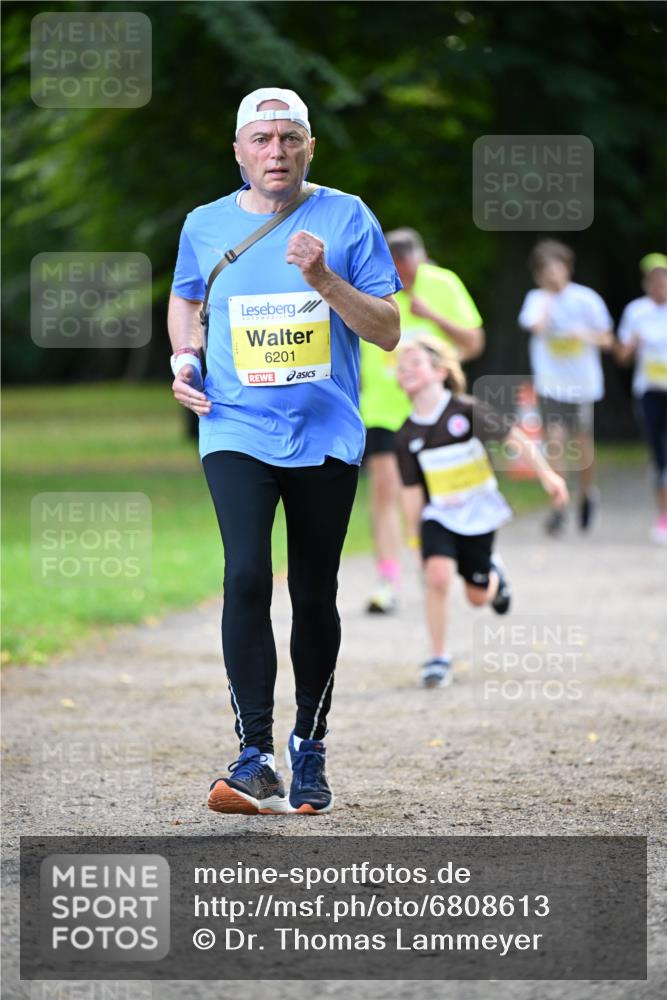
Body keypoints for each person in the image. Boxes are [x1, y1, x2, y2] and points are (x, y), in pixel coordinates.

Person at [168, 88, 401, 815]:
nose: (276, 151)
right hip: (234, 425)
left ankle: (309, 744)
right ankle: (253, 754)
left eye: (289, 138)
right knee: (244, 576)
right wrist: (183, 356)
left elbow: (388, 329)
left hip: (326, 432)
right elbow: (185, 297)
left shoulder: (346, 216)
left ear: (308, 148)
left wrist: (324, 279)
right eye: (262, 139)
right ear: (239, 152)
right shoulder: (205, 225)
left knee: (313, 589)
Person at [395, 336, 568, 688]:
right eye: (401, 366)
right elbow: (411, 494)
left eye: (415, 363)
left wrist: (548, 475)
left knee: (477, 598)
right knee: (438, 577)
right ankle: (438, 658)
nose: (406, 370)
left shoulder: (466, 410)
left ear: (440, 371)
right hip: (439, 516)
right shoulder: (406, 434)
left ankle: (493, 575)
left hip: (477, 514)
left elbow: (515, 438)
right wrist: (415, 541)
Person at [359, 228, 484, 613]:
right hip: (382, 407)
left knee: (437, 493)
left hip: (433, 411)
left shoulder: (444, 284)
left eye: (408, 274)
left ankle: (448, 563)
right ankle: (388, 579)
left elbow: (474, 343)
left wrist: (432, 315)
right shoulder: (369, 282)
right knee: (385, 490)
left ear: (421, 260)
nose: (403, 282)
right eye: (396, 274)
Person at [518, 240, 613, 536]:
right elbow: (534, 326)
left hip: (582, 384)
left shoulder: (586, 299)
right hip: (551, 384)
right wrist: (547, 299)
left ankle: (587, 492)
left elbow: (609, 340)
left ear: (568, 268)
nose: (553, 275)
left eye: (557, 268)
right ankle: (559, 505)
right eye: (546, 270)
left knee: (582, 445)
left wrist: (583, 334)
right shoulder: (536, 299)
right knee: (556, 442)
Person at [615, 253, 667, 543]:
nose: (660, 285)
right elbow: (621, 356)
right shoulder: (636, 311)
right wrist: (633, 344)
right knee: (659, 455)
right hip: (649, 390)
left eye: (664, 278)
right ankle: (663, 514)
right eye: (654, 279)